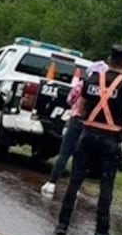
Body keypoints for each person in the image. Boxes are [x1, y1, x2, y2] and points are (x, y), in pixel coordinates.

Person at [55, 45, 122, 235]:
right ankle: (101, 232)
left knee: (75, 180)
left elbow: (81, 108)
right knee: (106, 185)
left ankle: (62, 224)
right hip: (110, 140)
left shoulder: (91, 81)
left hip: (88, 135)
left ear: (109, 60)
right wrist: (120, 127)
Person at [40, 59, 108, 197]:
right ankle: (74, 189)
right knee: (82, 158)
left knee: (65, 153)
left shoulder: (82, 85)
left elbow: (70, 99)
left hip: (76, 121)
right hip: (91, 125)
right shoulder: (105, 90)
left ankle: (51, 183)